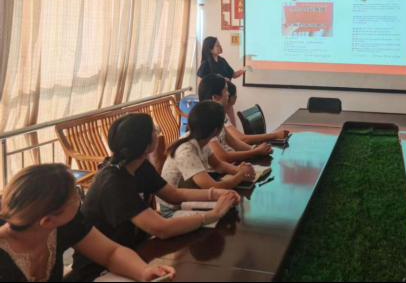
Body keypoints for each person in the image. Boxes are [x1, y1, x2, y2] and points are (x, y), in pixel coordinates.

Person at [72, 113, 240, 281]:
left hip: (133, 251)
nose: (158, 133)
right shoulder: (114, 182)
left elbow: (174, 195)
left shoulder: (139, 165)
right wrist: (213, 214)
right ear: (146, 146)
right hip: (99, 269)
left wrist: (214, 193)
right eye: (154, 131)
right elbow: (161, 229)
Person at [0, 164, 175, 283]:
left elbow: (111, 253)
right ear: (47, 221)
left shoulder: (63, 222)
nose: (80, 197)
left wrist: (144, 271)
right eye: (75, 195)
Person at [159, 101, 257, 218]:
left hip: (190, 199)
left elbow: (218, 165)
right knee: (226, 210)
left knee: (229, 205)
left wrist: (239, 169)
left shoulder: (200, 139)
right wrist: (240, 175)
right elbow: (213, 187)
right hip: (174, 209)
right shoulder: (186, 151)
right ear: (216, 130)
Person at [199, 75, 288, 163]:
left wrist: (254, 148)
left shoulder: (218, 116)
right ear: (215, 97)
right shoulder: (206, 122)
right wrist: (255, 152)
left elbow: (233, 142)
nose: (228, 94)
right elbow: (223, 157)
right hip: (224, 168)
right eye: (226, 91)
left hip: (232, 164)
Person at [197, 37, 246, 128]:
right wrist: (222, 79)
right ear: (211, 50)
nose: (220, 46)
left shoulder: (222, 61)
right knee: (220, 127)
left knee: (232, 126)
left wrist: (245, 69)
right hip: (215, 101)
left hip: (227, 98)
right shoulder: (205, 64)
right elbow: (201, 86)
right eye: (217, 45)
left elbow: (234, 74)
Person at [226, 80, 290, 145]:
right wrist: (274, 135)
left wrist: (253, 149)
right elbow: (242, 139)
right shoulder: (221, 117)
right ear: (233, 98)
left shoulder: (224, 115)